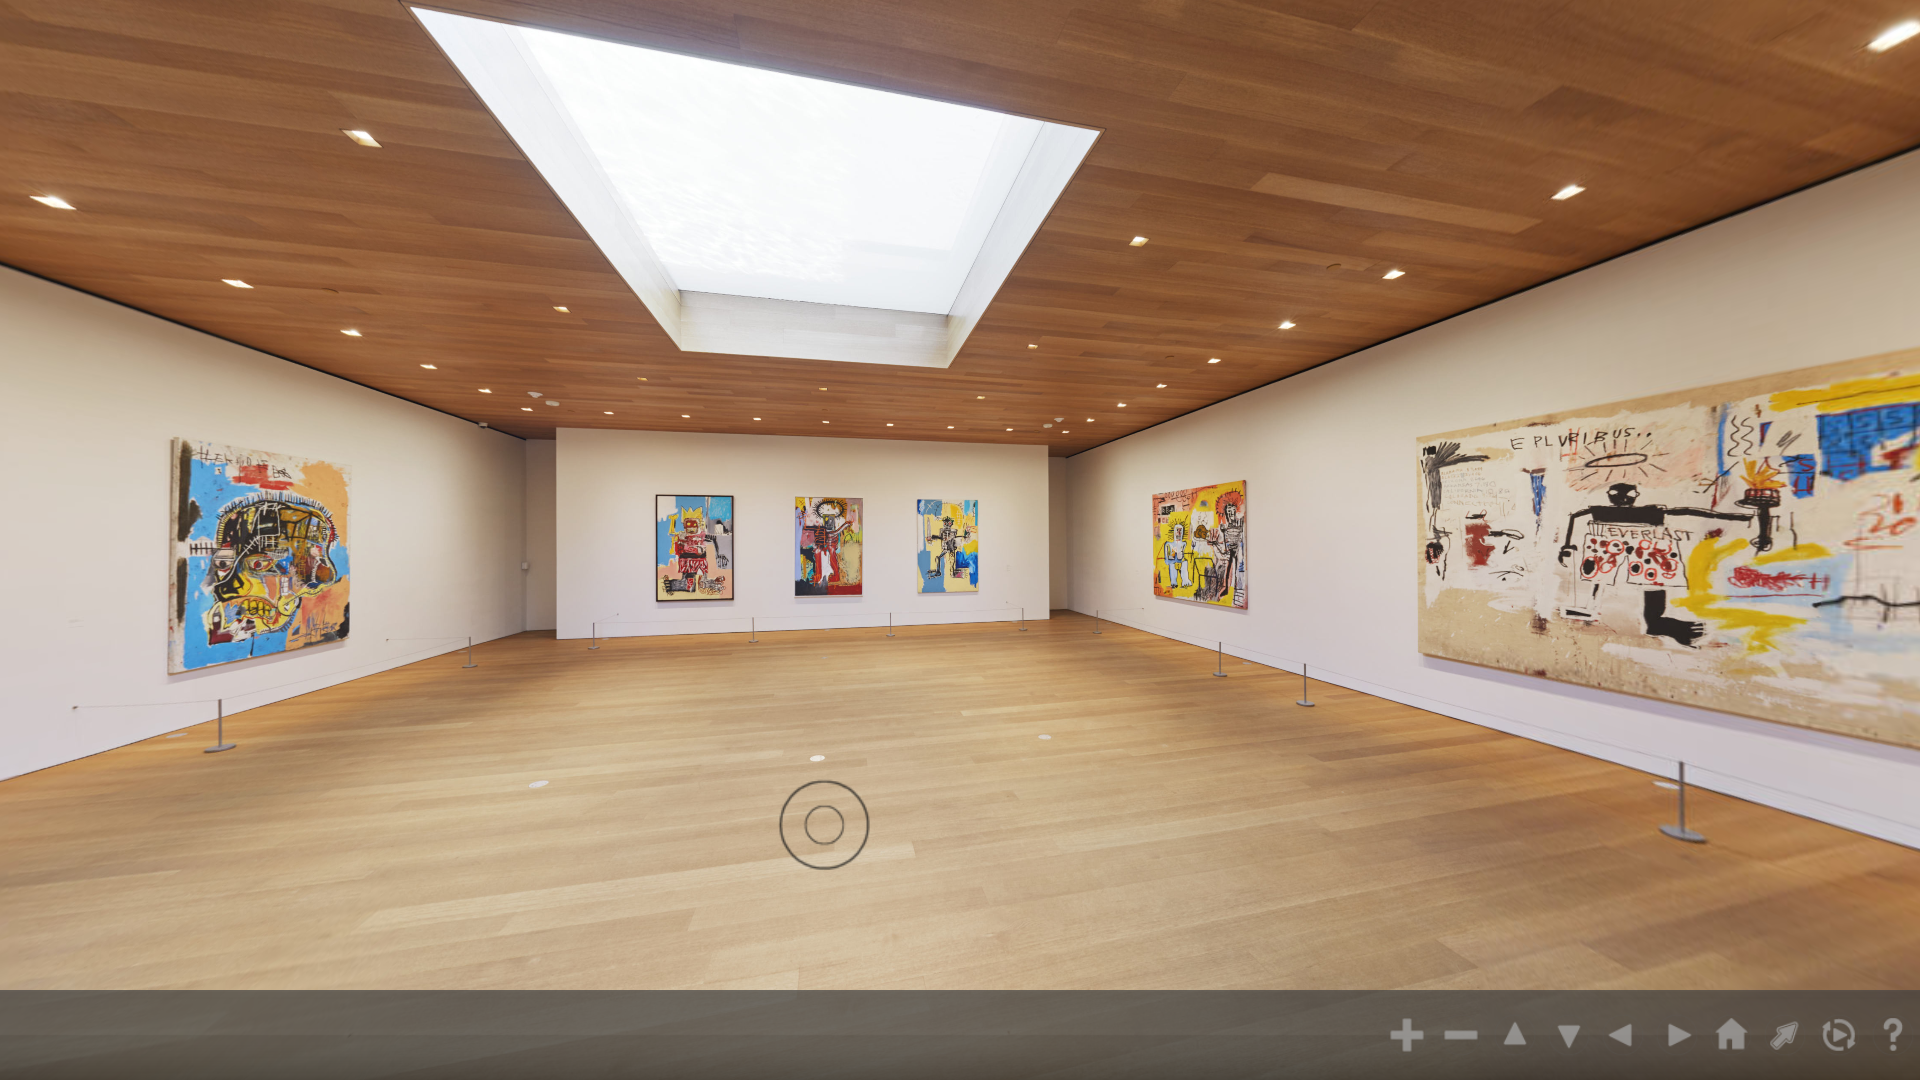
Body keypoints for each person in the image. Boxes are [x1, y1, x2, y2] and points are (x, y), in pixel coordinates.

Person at [1557, 482, 1770, 646]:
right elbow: (1688, 511)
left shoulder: (1602, 511)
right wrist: (1739, 517)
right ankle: (1651, 621)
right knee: (1651, 576)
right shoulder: (1647, 512)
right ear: (1633, 497)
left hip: (1625, 548)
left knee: (1632, 574)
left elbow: (1575, 516)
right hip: (1638, 549)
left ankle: (1645, 620)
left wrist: (1567, 545)